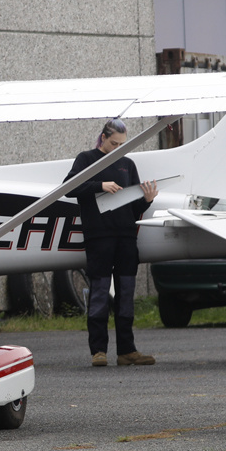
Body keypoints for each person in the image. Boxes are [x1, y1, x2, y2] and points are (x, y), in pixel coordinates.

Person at [67, 119, 158, 367]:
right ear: (103, 138)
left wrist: (147, 200)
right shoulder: (86, 159)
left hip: (126, 236)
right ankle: (99, 351)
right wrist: (100, 186)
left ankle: (127, 351)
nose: (118, 147)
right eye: (114, 143)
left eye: (122, 144)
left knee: (126, 293)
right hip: (99, 236)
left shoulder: (128, 164)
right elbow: (69, 188)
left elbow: (134, 204)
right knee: (99, 293)